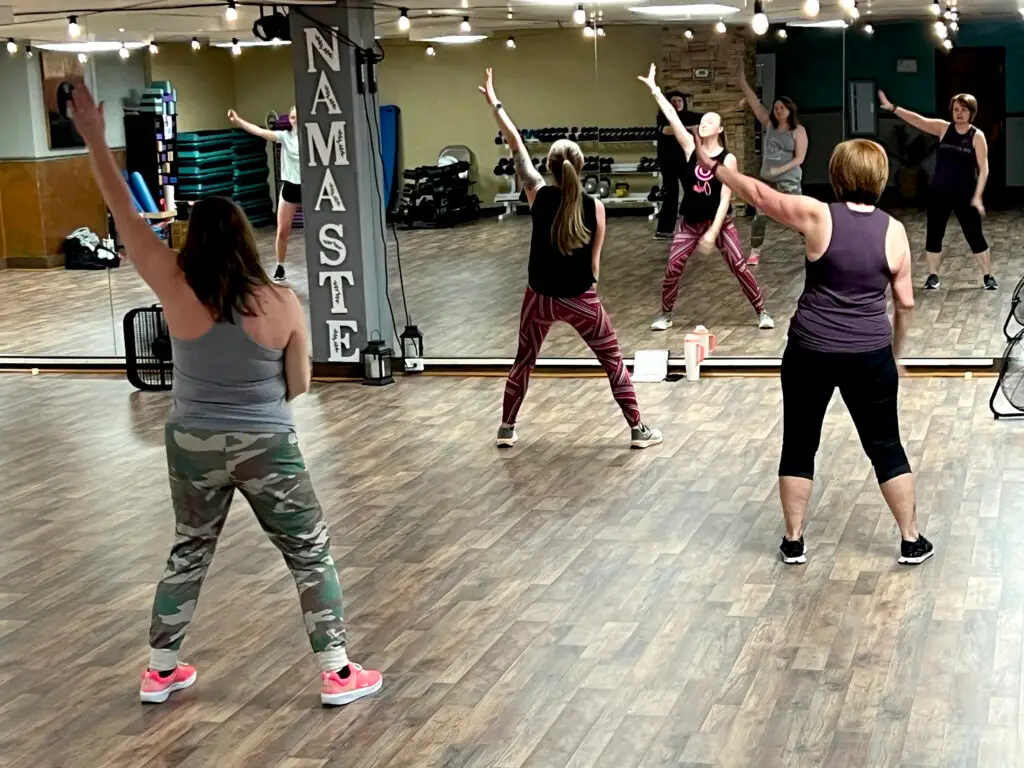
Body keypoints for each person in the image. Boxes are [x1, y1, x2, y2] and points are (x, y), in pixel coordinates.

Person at [68, 84, 383, 707]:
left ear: (192, 240)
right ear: (244, 239)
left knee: (189, 549)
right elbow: (299, 384)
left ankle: (160, 671)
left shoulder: (173, 284)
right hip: (268, 440)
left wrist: (92, 138)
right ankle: (339, 673)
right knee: (308, 552)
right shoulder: (281, 302)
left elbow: (127, 220)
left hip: (189, 440)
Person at [687, 124, 934, 566]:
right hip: (870, 356)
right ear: (879, 179)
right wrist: (895, 355)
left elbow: (761, 198)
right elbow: (906, 302)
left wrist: (717, 166)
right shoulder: (894, 231)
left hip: (810, 352)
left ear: (838, 176)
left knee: (800, 443)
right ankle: (911, 539)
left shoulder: (819, 215)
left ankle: (794, 540)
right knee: (887, 446)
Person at [479, 68, 662, 450]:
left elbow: (516, 146)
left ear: (550, 167)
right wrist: (586, 293)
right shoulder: (595, 207)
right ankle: (638, 430)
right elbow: (594, 265)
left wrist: (495, 103)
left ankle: (506, 428)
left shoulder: (537, 195)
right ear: (579, 167)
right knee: (613, 361)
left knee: (523, 360)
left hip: (540, 297)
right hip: (581, 299)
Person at [638, 65, 775, 332]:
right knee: (673, 266)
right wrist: (655, 90)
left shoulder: (728, 159)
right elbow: (672, 118)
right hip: (689, 222)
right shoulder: (691, 148)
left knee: (739, 266)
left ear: (720, 128)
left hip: (720, 223)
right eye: (702, 121)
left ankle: (762, 311)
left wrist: (713, 233)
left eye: (709, 121)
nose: (703, 124)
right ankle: (665, 314)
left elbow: (725, 199)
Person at [878, 90, 997, 291]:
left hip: (965, 193)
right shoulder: (943, 129)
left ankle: (988, 276)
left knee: (974, 234)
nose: (959, 113)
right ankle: (933, 276)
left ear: (971, 112)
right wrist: (894, 109)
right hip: (939, 191)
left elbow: (984, 168)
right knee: (934, 234)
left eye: (963, 110)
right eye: (956, 109)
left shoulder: (977, 136)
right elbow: (918, 120)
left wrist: (977, 196)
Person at [228, 106, 300, 285]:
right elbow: (259, 132)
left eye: (297, 117)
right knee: (282, 230)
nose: (294, 120)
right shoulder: (284, 136)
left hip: (311, 186)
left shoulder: (313, 136)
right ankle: (280, 266)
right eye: (292, 117)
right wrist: (238, 121)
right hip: (291, 186)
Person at [739, 76, 807, 266]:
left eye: (781, 108)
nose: (778, 111)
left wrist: (780, 169)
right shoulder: (769, 125)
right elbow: (756, 104)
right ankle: (755, 252)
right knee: (759, 217)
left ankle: (812, 245)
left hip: (789, 181)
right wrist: (744, 83)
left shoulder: (798, 131)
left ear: (789, 110)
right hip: (768, 180)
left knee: (797, 216)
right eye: (776, 108)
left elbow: (799, 158)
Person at [654, 90, 704, 239]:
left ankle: (695, 226)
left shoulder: (690, 116)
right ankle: (663, 231)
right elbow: (667, 130)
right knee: (671, 194)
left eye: (679, 101)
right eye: (673, 102)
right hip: (668, 162)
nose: (677, 104)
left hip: (686, 161)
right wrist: (689, 128)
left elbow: (707, 119)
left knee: (694, 191)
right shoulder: (663, 117)